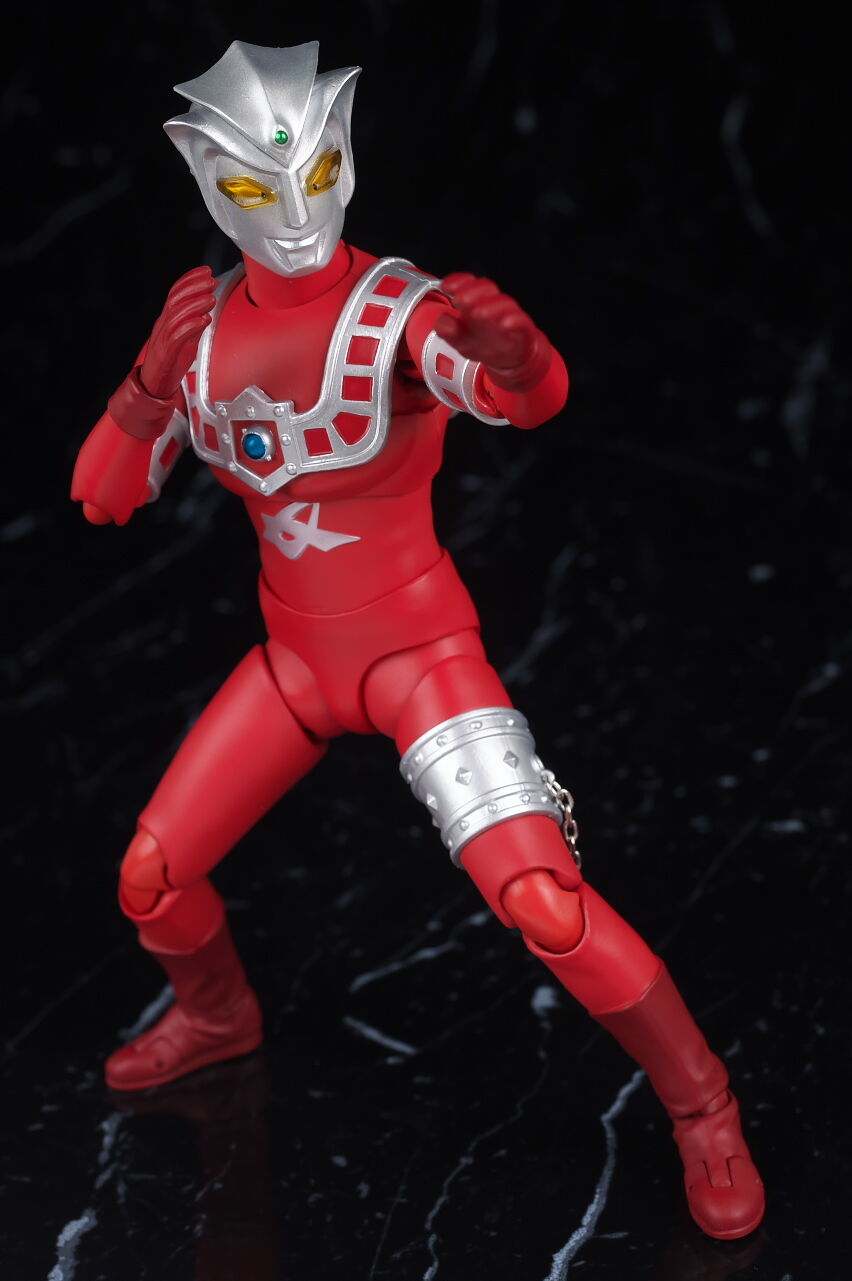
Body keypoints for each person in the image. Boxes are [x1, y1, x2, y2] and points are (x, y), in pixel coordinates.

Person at [72, 40, 764, 1240]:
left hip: (418, 657)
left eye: (314, 171)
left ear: (347, 155)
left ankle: (704, 1105)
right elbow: (102, 496)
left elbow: (523, 399)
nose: (294, 211)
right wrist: (142, 386)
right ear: (203, 179)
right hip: (295, 665)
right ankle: (221, 1018)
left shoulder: (395, 315)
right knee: (152, 878)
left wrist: (514, 351)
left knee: (544, 902)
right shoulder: (198, 332)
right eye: (253, 186)